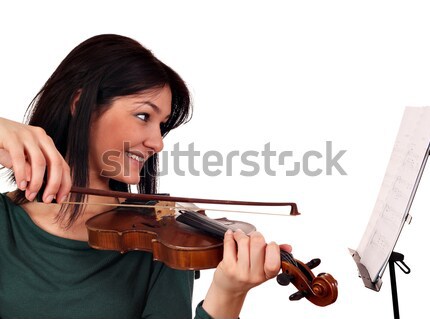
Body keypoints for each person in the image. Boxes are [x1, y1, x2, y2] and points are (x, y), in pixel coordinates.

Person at [0, 34, 288, 319]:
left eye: (161, 125)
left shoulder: (162, 243)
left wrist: (228, 296)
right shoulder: (5, 222)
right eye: (143, 116)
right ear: (81, 105)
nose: (157, 142)